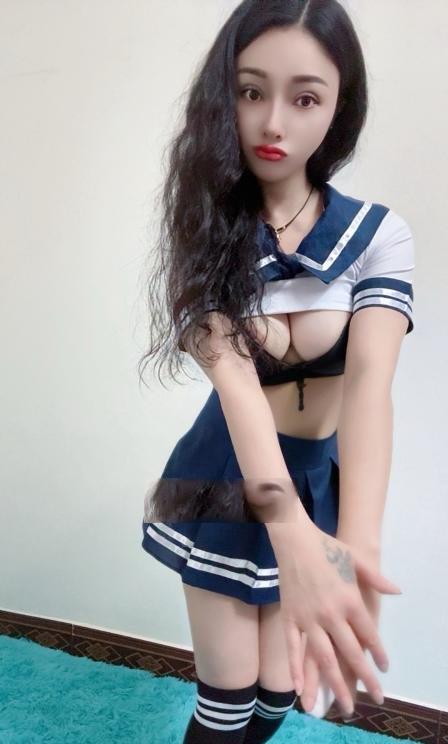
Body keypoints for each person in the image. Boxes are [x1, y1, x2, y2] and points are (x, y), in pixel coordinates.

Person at [139, 1, 413, 742]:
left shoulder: (376, 236)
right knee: (227, 700)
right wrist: (290, 534)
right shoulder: (202, 227)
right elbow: (236, 390)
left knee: (279, 695)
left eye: (305, 98)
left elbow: (369, 387)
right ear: (221, 96)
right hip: (226, 471)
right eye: (251, 91)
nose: (272, 123)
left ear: (340, 107)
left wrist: (356, 552)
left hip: (317, 477)